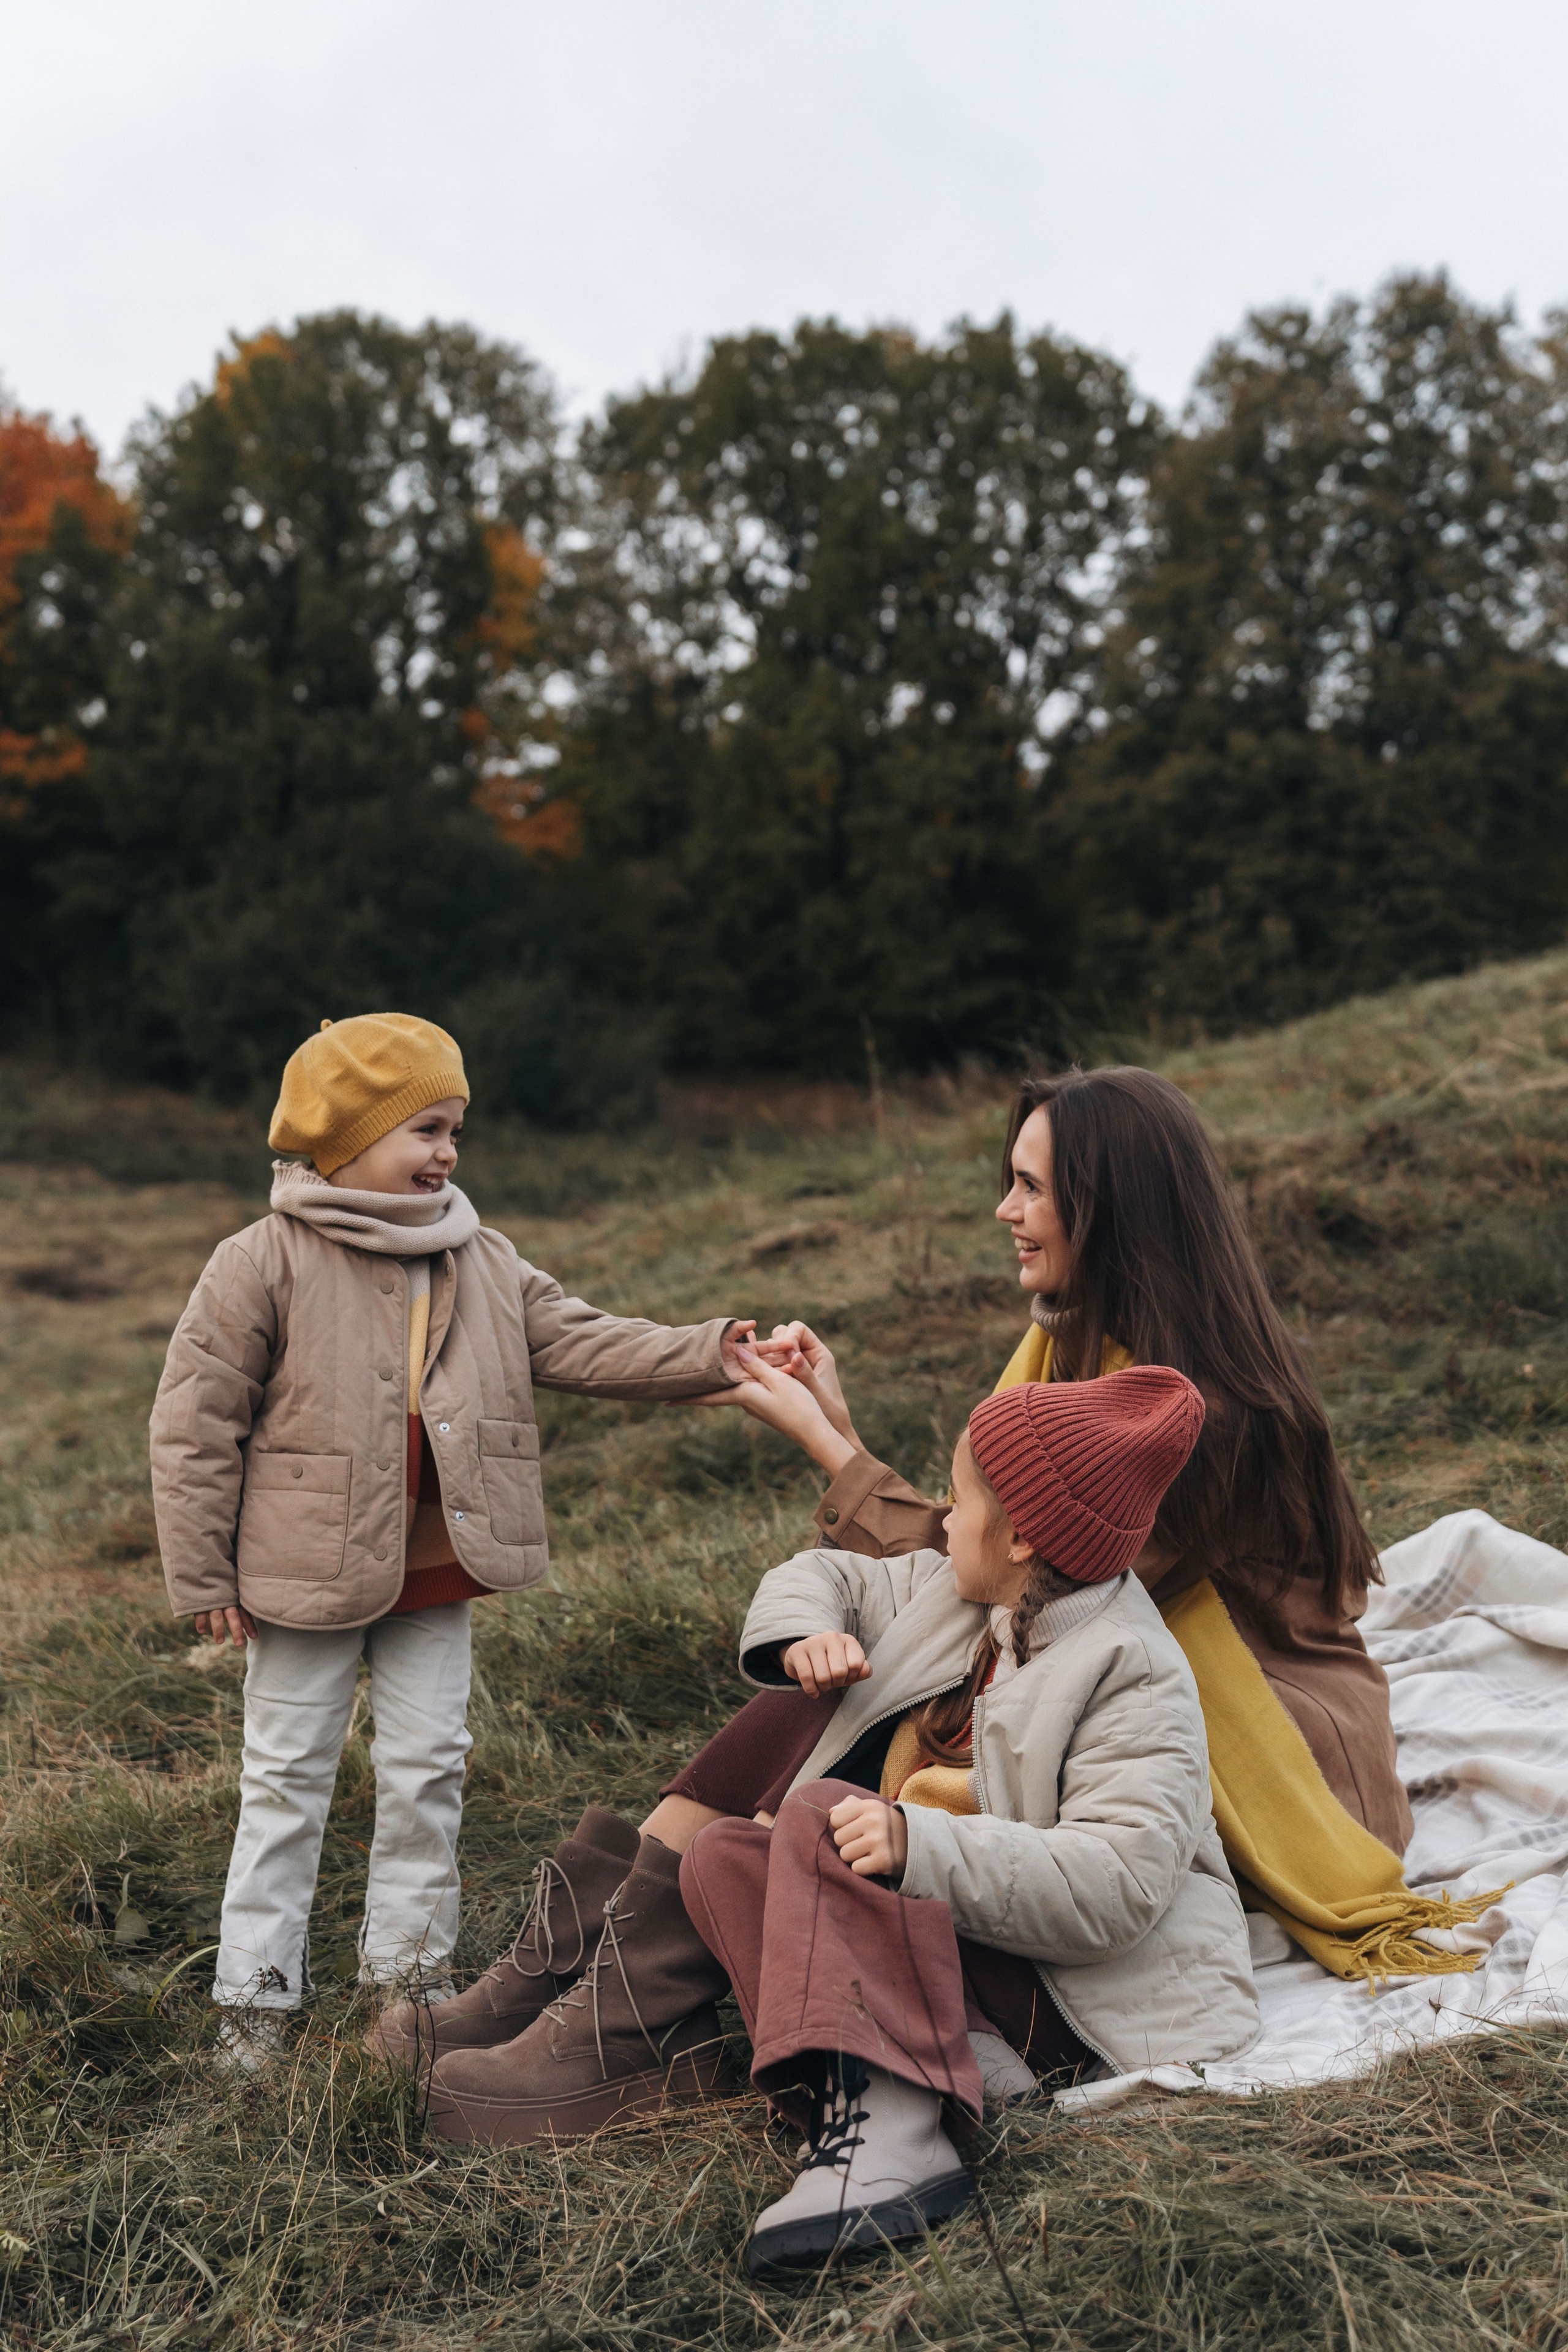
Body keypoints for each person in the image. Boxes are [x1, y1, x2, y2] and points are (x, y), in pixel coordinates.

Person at [421, 1367, 1261, 2249]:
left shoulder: (1130, 1669)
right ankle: (670, 2046)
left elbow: (1116, 1890)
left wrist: (919, 1844)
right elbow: (828, 1572)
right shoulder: (970, 1592)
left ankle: (896, 2139)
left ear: (1021, 1540)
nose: (942, 1519)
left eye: (960, 1500)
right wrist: (808, 1633)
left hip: (1074, 2002)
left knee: (821, 1814)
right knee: (726, 1857)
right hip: (969, 1956)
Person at [150, 1011, 760, 2071]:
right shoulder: (261, 1260)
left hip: (438, 1570)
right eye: (424, 1129)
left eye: (454, 1133)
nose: (446, 1153)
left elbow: (583, 1337)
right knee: (287, 1781)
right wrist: (204, 1570)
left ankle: (412, 1982)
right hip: (302, 1576)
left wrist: (716, 1352)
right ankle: (254, 2004)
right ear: (343, 1138)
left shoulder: (481, 1256)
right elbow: (195, 1419)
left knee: (430, 1768)